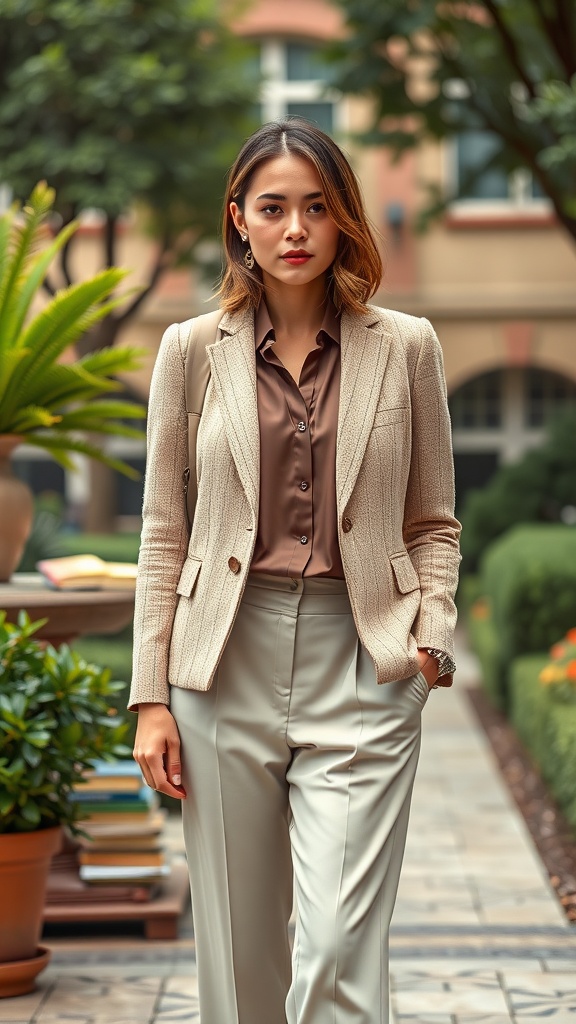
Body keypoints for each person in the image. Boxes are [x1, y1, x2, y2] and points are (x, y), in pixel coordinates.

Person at [130, 117, 461, 1024]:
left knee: (341, 951)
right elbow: (165, 531)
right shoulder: (192, 352)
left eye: (318, 207)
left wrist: (428, 640)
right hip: (221, 662)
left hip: (362, 660)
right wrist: (150, 697)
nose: (296, 229)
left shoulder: (408, 346)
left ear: (346, 218)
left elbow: (433, 520)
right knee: (241, 964)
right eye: (273, 208)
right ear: (238, 218)